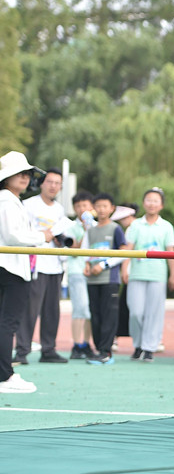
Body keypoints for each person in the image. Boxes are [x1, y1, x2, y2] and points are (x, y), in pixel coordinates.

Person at [0, 151, 53, 392]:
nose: (24, 177)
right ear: (6, 177)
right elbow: (13, 235)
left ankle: (4, 373)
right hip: (10, 268)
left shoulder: (10, 200)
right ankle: (4, 376)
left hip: (11, 266)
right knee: (8, 323)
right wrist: (41, 237)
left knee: (5, 323)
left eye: (27, 173)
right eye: (18, 173)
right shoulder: (6, 200)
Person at [15, 167, 68, 365]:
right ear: (42, 184)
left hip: (55, 265)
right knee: (29, 310)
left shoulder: (59, 209)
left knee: (52, 311)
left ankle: (49, 349)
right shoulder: (28, 205)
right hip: (35, 265)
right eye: (50, 182)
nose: (53, 186)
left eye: (57, 183)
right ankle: (22, 351)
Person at [122, 188, 174, 363]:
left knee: (154, 313)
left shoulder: (166, 227)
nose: (152, 204)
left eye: (155, 201)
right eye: (149, 200)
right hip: (137, 274)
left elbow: (171, 252)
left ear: (161, 205)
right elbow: (128, 249)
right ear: (144, 203)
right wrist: (124, 269)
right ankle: (138, 344)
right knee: (136, 312)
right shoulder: (135, 225)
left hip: (158, 275)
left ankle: (149, 348)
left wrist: (173, 275)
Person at [83, 193, 129, 365]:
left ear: (112, 209)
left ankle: (106, 351)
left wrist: (103, 265)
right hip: (92, 280)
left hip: (109, 280)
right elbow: (85, 251)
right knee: (95, 316)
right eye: (98, 206)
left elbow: (123, 252)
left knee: (109, 315)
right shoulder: (91, 230)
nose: (101, 209)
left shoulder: (116, 228)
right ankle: (98, 350)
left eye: (105, 206)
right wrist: (87, 265)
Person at [65, 191, 95, 359]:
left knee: (90, 309)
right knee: (80, 308)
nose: (82, 209)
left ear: (91, 207)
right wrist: (85, 231)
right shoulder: (70, 227)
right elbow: (74, 250)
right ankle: (77, 345)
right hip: (77, 271)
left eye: (85, 205)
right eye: (78, 206)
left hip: (94, 273)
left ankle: (86, 343)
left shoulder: (97, 226)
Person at [110, 203, 137, 351]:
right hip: (130, 274)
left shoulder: (135, 228)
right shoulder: (128, 230)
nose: (122, 222)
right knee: (124, 306)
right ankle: (115, 336)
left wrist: (125, 270)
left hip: (137, 273)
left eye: (123, 218)